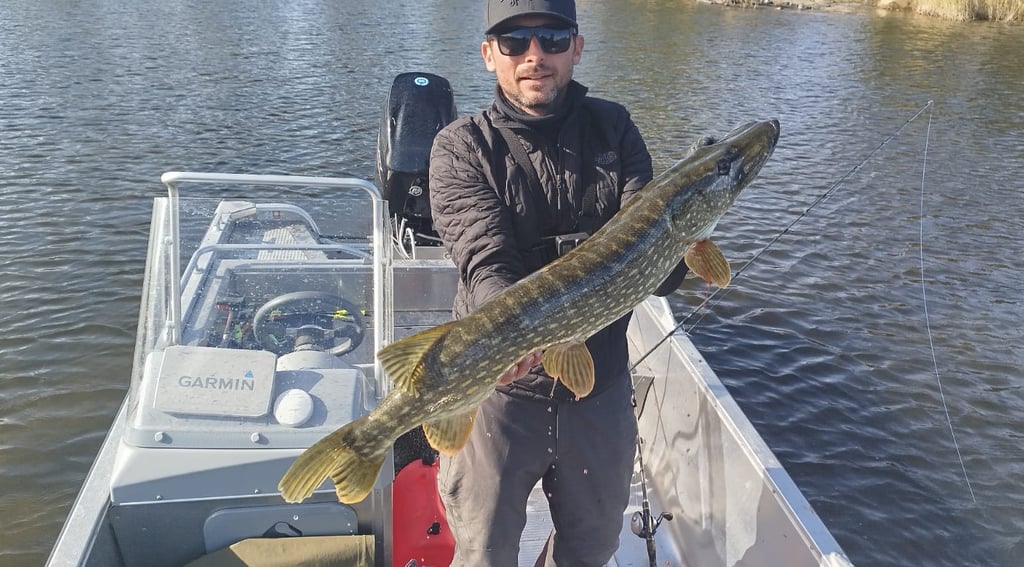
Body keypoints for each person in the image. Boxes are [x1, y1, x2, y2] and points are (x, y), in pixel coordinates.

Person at [427, 1, 687, 565]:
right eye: (515, 43)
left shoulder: (614, 128)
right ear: (488, 54)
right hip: (499, 394)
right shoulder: (460, 146)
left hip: (600, 386)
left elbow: (656, 264)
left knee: (591, 549)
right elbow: (485, 259)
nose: (535, 56)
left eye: (551, 36)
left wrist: (683, 242)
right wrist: (516, 338)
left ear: (577, 45)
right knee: (484, 551)